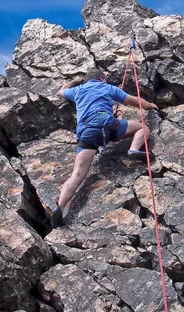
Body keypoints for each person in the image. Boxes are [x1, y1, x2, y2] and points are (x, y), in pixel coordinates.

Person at [52, 69, 158, 228]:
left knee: (77, 174)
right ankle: (134, 149)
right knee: (142, 128)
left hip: (87, 133)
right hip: (107, 125)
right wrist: (150, 105)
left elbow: (61, 91)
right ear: (101, 78)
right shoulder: (108, 88)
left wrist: (75, 80)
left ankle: (59, 208)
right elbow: (134, 100)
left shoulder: (77, 90)